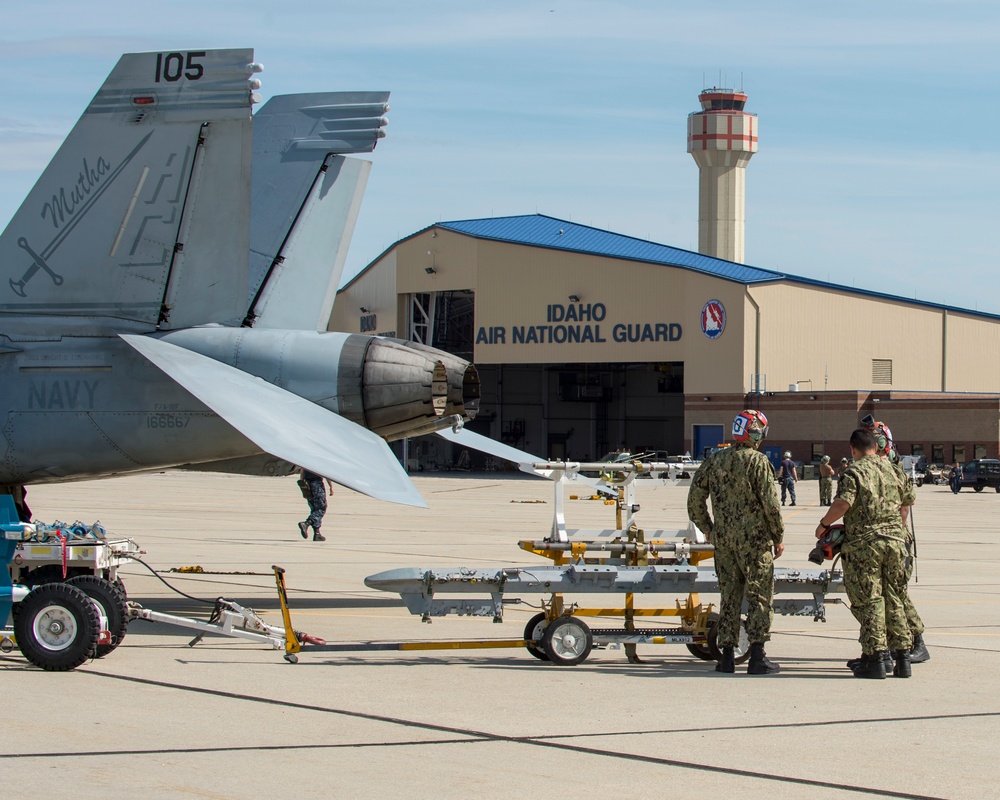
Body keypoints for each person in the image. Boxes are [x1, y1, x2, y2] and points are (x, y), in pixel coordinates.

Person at [688, 409, 785, 675]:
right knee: (759, 596)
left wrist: (709, 529)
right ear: (754, 433)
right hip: (754, 542)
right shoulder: (758, 462)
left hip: (724, 542)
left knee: (729, 596)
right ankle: (756, 655)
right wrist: (778, 536)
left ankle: (727, 655)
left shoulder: (714, 460)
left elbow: (694, 501)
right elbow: (771, 505)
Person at [815, 428, 912, 679]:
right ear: (876, 447)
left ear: (853, 449)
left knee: (870, 600)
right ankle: (902, 658)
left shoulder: (854, 472)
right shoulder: (894, 469)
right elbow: (906, 505)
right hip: (895, 543)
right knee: (894, 597)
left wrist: (824, 525)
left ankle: (876, 658)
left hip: (865, 546)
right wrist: (895, 532)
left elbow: (843, 503)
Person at [859, 417, 929, 664]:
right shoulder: (878, 465)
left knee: (896, 593)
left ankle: (917, 641)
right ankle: (887, 647)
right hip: (887, 539)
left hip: (893, 540)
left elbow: (905, 507)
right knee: (886, 594)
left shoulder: (892, 467)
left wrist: (892, 534)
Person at [297, 468, 333, 542]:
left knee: (314, 509)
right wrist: (330, 486)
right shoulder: (319, 460)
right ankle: (306, 524)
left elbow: (302, 471)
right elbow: (326, 473)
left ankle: (317, 534)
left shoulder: (306, 460)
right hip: (317, 483)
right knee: (321, 508)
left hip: (307, 484)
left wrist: (302, 484)